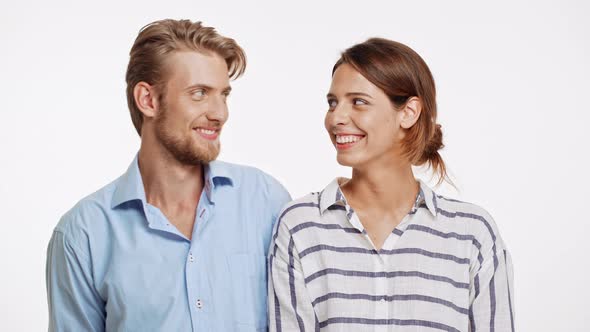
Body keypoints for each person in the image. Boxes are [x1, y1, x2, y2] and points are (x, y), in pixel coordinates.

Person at [46, 19, 290, 331]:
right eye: (200, 93)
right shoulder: (83, 234)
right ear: (148, 100)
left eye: (224, 94)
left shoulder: (266, 201)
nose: (220, 113)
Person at [269, 38, 514, 332]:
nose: (336, 118)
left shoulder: (472, 234)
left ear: (408, 113)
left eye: (358, 102)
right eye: (332, 103)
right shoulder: (301, 225)